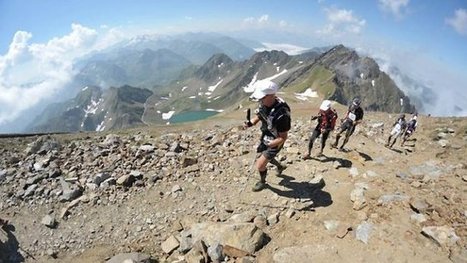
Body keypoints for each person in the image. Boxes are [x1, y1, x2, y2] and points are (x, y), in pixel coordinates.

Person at [244, 80, 291, 192]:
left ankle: (262, 182)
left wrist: (272, 144)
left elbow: (283, 137)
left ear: (271, 96)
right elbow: (260, 116)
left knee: (260, 165)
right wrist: (251, 123)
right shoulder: (265, 103)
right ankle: (279, 166)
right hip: (266, 136)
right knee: (264, 156)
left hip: (275, 141)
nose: (260, 100)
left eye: (262, 97)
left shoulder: (282, 115)